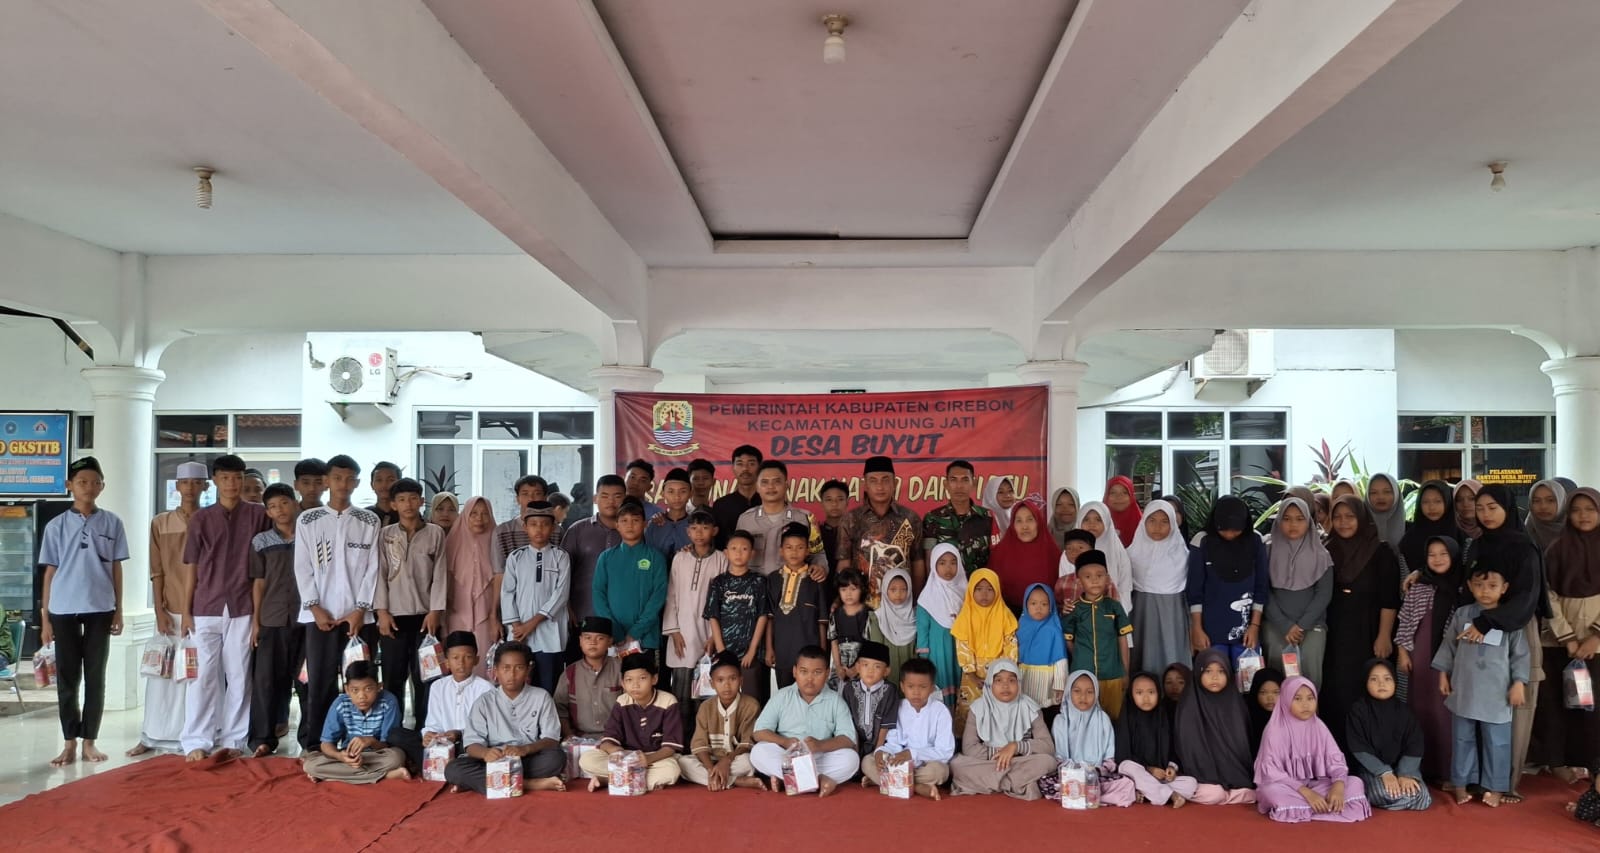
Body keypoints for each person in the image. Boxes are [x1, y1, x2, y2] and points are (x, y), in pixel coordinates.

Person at [38, 457, 126, 767]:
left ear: (103, 486)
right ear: (70, 486)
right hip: (63, 609)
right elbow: (50, 572)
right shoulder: (56, 526)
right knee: (67, 678)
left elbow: (116, 568)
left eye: (95, 482)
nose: (89, 487)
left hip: (101, 608)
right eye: (82, 482)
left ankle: (90, 741)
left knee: (95, 677)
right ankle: (69, 742)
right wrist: (45, 619)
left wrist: (119, 610)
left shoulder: (112, 523)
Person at [181, 454, 270, 761]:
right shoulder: (201, 519)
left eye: (237, 478)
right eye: (226, 478)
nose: (232, 484)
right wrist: (186, 610)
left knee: (240, 674)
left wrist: (259, 615)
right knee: (203, 676)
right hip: (205, 606)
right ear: (215, 481)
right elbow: (191, 567)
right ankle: (196, 740)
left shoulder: (258, 515)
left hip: (243, 606)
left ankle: (234, 739)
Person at [1464, 484, 1548, 800]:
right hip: (1479, 628)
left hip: (1516, 628)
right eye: (1480, 508)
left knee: (1515, 705)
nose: (1486, 514)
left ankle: (1505, 782)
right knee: (1480, 703)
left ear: (1507, 508)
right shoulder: (1478, 545)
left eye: (1492, 507)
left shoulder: (1524, 547)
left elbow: (1527, 597)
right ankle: (1480, 777)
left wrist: (1489, 620)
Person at [294, 454, 381, 753]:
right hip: (320, 617)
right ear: (326, 481)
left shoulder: (369, 521)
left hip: (359, 619)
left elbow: (373, 568)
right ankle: (317, 744)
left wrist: (360, 609)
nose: (343, 484)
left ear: (357, 483)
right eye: (337, 478)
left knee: (360, 683)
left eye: (349, 479)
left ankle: (358, 743)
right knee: (319, 681)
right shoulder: (308, 520)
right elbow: (302, 566)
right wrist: (314, 607)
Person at [1433, 561, 1531, 807]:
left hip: (1497, 693)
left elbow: (1520, 655)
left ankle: (1495, 787)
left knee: (1498, 741)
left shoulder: (1510, 619)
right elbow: (1449, 645)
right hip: (1464, 689)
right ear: (1469, 586)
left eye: (1492, 585)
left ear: (1504, 587)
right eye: (1479, 585)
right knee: (1462, 739)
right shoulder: (1462, 614)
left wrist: (1519, 683)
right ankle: (1460, 784)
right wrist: (1443, 673)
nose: (1485, 591)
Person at [129, 460, 207, 757]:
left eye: (196, 483)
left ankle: (195, 736)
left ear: (205, 486)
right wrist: (159, 612)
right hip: (170, 611)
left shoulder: (210, 520)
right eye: (185, 482)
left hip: (203, 611)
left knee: (196, 675)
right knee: (162, 676)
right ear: (177, 486)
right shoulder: (160, 523)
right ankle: (152, 735)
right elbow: (156, 570)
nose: (190, 488)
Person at [1322, 495, 1401, 748]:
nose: (1343, 522)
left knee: (1365, 689)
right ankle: (1338, 754)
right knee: (1337, 693)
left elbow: (1389, 598)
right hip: (1335, 635)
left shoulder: (1380, 551)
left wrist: (1384, 635)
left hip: (1368, 632)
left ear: (1362, 518)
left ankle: (1367, 752)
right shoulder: (1325, 549)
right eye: (1337, 517)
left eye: (1350, 516)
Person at [444, 641, 566, 794]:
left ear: (528, 669)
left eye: (519, 668)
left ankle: (490, 782)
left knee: (556, 758)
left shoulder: (541, 697)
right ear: (496, 670)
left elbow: (552, 739)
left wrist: (526, 749)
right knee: (453, 769)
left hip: (526, 757)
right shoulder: (484, 702)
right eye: (506, 668)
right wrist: (485, 753)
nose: (512, 675)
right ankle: (528, 784)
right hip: (493, 760)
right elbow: (471, 744)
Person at [1538, 486, 1600, 787]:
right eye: (1576, 510)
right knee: (1557, 705)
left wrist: (1596, 637)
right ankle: (1559, 762)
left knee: (1593, 707)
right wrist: (1568, 638)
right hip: (1558, 643)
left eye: (1590, 509)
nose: (1583, 515)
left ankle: (1593, 763)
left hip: (1596, 645)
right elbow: (1548, 596)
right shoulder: (1556, 549)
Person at [374, 477, 448, 727]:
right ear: (393, 504)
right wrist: (382, 612)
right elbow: (379, 574)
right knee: (393, 676)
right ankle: (392, 730)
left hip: (426, 619)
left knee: (427, 675)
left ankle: (425, 729)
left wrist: (436, 611)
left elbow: (440, 575)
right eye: (402, 499)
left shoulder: (435, 533)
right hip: (393, 617)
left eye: (413, 498)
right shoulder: (385, 535)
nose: (408, 504)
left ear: (421, 501)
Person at [1395, 534, 1465, 783]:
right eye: (1432, 554)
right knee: (1420, 708)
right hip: (1420, 654)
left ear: (1454, 556)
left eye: (1443, 554)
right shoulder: (1419, 585)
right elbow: (1405, 619)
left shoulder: (1462, 588)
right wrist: (1403, 651)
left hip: (1451, 656)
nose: (1437, 559)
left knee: (1444, 712)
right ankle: (1420, 768)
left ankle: (1447, 771)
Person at [1254, 676, 1371, 822]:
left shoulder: (1318, 725)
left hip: (1316, 785)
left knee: (1355, 782)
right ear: (1285, 700)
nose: (1305, 705)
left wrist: (1338, 785)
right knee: (1271, 792)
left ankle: (1306, 808)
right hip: (1289, 788)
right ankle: (1324, 805)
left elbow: (1335, 760)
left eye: (1310, 698)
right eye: (1297, 699)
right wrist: (1307, 793)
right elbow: (1271, 772)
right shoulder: (1274, 730)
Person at [751, 645, 861, 796]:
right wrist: (785, 742)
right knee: (758, 752)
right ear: (795, 672)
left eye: (817, 672)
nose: (810, 679)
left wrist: (820, 745)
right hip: (787, 755)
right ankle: (818, 779)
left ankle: (789, 779)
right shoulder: (781, 696)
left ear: (827, 674)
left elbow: (848, 739)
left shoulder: (836, 701)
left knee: (851, 759)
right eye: (804, 671)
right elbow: (759, 732)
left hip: (819, 756)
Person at [247, 484, 305, 756]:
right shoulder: (261, 541)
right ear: (267, 512)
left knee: (307, 681)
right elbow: (258, 583)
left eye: (284, 503)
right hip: (271, 619)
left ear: (295, 504)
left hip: (307, 619)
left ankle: (312, 741)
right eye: (272, 506)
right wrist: (256, 622)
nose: (279, 510)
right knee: (266, 682)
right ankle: (262, 738)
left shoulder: (310, 536)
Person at [948, 659, 1057, 800]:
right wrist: (1001, 754)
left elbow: (1047, 746)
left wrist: (1015, 747)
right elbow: (969, 748)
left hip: (1019, 760)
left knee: (1048, 762)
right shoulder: (978, 708)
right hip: (989, 762)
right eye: (998, 680)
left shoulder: (1030, 707)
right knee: (956, 765)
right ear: (989, 684)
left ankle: (992, 783)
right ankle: (1015, 783)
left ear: (1019, 683)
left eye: (1011, 680)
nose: (1005, 686)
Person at [579, 652, 683, 791]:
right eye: (629, 680)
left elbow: (670, 747)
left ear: (654, 679)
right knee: (587, 760)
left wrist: (648, 759)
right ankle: (636, 780)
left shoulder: (668, 701)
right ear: (623, 683)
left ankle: (610, 780)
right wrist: (617, 752)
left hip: (654, 758)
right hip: (626, 756)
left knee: (671, 771)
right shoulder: (622, 701)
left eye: (642, 678)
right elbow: (608, 740)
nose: (635, 685)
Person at [1187, 496, 1269, 667]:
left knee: (1248, 678)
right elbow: (1195, 590)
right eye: (1224, 530)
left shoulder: (1255, 540)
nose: (1230, 535)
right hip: (1210, 631)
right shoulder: (1201, 541)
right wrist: (1197, 628)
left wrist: (1254, 626)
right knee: (1214, 676)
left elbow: (1261, 586)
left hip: (1247, 630)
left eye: (1236, 530)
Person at [500, 502, 570, 695]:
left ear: (553, 527)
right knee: (520, 686)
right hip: (520, 634)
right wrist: (516, 626)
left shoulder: (561, 556)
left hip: (551, 633)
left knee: (549, 687)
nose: (539, 529)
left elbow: (561, 595)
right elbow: (507, 593)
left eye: (545, 524)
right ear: (525, 527)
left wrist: (531, 624)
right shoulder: (516, 557)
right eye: (533, 524)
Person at [302, 661, 410, 784]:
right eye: (355, 690)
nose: (362, 696)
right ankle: (385, 776)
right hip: (350, 757)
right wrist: (340, 756)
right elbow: (326, 743)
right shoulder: (341, 703)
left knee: (397, 758)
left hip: (377, 755)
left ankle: (333, 777)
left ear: (379, 687)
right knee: (310, 765)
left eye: (368, 689)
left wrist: (371, 741)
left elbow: (388, 744)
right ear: (346, 689)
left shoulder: (388, 702)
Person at [835, 455, 925, 603]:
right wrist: (842, 601)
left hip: (901, 605)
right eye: (873, 480)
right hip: (862, 604)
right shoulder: (851, 519)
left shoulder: (910, 518)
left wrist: (916, 600)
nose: (880, 486)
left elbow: (917, 562)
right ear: (865, 485)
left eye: (885, 480)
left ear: (895, 483)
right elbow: (844, 563)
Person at [1263, 498, 1332, 687]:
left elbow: (1324, 594)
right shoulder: (1267, 551)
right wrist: (1285, 625)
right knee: (1277, 679)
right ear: (1278, 521)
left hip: (1312, 625)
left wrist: (1301, 626)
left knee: (1310, 678)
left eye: (1300, 519)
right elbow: (1263, 591)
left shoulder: (1321, 554)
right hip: (1276, 624)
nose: (1293, 524)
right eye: (1286, 519)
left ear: (1308, 521)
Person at [1173, 649, 1257, 805]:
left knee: (1249, 792)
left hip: (1234, 773)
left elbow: (1242, 747)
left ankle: (1228, 795)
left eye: (1221, 671)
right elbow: (1188, 748)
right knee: (1213, 793)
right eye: (1208, 671)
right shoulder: (1189, 705)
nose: (1215, 677)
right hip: (1202, 775)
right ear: (1198, 673)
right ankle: (1225, 796)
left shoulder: (1236, 705)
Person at [861, 658, 953, 799]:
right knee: (867, 762)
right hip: (898, 763)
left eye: (922, 687)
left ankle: (886, 782)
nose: (916, 692)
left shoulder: (941, 712)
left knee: (940, 772)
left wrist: (912, 754)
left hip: (925, 765)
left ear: (932, 688)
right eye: (910, 687)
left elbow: (945, 751)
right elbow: (893, 743)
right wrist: (881, 752)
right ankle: (917, 787)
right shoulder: (897, 707)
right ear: (902, 687)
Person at [662, 511, 725, 714]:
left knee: (705, 688)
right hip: (681, 631)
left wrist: (714, 637)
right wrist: (673, 631)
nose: (699, 533)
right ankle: (680, 731)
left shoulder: (721, 559)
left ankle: (702, 731)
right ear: (687, 532)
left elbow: (724, 601)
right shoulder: (680, 558)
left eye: (705, 528)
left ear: (714, 531)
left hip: (708, 632)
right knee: (680, 687)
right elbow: (671, 595)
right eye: (694, 528)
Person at [1347, 658, 1431, 811]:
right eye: (1374, 679)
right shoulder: (1358, 711)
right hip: (1373, 769)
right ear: (1365, 682)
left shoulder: (1404, 711)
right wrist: (1384, 773)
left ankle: (1399, 799)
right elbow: (1358, 747)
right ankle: (1403, 800)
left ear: (1395, 682)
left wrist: (1405, 774)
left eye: (1387, 679)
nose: (1381, 684)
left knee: (1422, 796)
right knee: (1383, 793)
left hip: (1404, 768)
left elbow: (1414, 744)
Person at [593, 498, 669, 661]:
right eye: (624, 521)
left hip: (646, 637)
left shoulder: (656, 557)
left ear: (645, 524)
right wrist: (614, 630)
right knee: (613, 678)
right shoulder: (606, 557)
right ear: (617, 525)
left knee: (646, 677)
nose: (630, 525)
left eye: (635, 520)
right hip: (613, 638)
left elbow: (658, 597)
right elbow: (598, 594)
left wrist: (635, 632)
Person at [1049, 670, 1138, 806]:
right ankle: (1092, 795)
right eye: (1077, 691)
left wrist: (1095, 772)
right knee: (1045, 781)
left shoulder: (1103, 719)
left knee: (1126, 784)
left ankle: (1076, 795)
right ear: (1068, 693)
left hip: (1097, 775)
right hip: (1069, 775)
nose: (1083, 697)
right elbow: (1058, 758)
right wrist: (1076, 771)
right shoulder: (1060, 720)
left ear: (1096, 694)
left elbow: (1109, 759)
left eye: (1090, 692)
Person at [1061, 552, 1132, 718]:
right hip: (1083, 677)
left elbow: (1123, 640)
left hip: (1113, 674)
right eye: (1088, 576)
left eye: (1100, 575)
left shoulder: (1114, 606)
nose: (1094, 580)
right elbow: (1068, 640)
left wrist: (1125, 672)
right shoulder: (1074, 609)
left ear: (1107, 579)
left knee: (1114, 717)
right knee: (1084, 717)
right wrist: (1080, 656)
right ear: (1079, 582)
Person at [680, 652, 763, 790]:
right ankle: (733, 780)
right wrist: (711, 768)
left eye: (733, 679)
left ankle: (716, 779)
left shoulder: (750, 705)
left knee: (749, 762)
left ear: (741, 681)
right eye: (720, 680)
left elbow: (746, 743)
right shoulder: (706, 707)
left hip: (735, 760)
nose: (727, 685)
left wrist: (726, 761)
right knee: (682, 762)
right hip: (711, 760)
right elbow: (699, 744)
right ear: (712, 683)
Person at [704, 530, 772, 700]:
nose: (738, 553)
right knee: (726, 696)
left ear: (752, 553)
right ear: (726, 553)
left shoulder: (759, 581)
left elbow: (763, 616)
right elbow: (713, 617)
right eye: (734, 548)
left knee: (752, 698)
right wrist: (721, 651)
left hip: (751, 653)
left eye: (744, 549)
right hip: (725, 650)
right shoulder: (719, 582)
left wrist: (752, 650)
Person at [1115, 671, 1199, 808]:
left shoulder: (1163, 716)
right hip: (1137, 775)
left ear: (1159, 693)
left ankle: (1149, 792)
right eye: (1139, 693)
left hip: (1160, 778)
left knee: (1191, 783)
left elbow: (1173, 749)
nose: (1146, 698)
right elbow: (1122, 755)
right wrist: (1149, 769)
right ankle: (1170, 795)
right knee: (1127, 766)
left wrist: (1171, 768)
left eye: (1151, 692)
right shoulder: (1127, 717)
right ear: (1131, 694)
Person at [951, 568, 1018, 735]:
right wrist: (972, 674)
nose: (984, 594)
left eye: (990, 589)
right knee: (970, 709)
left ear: (997, 591)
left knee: (998, 707)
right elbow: (963, 646)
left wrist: (1002, 672)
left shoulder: (1005, 615)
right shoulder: (965, 616)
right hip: (972, 674)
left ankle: (996, 741)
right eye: (979, 589)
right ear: (971, 591)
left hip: (1000, 672)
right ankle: (967, 742)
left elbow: (1010, 644)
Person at [1128, 500, 1191, 674]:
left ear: (1173, 524)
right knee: (1141, 655)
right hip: (1140, 612)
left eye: (1165, 521)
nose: (1158, 527)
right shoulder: (1130, 554)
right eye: (1152, 520)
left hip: (1173, 613)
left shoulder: (1183, 556)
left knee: (1171, 654)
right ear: (1143, 522)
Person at [736, 460, 827, 578]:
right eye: (764, 482)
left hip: (791, 585)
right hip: (754, 586)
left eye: (776, 481)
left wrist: (820, 567)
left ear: (786, 485)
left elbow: (818, 553)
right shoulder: (745, 519)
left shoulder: (805, 518)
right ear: (757, 487)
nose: (770, 487)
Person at [766, 523, 829, 689]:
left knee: (810, 694)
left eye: (800, 547)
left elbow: (822, 621)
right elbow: (769, 618)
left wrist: (823, 653)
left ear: (807, 551)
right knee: (785, 693)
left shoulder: (816, 579)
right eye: (789, 547)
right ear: (781, 551)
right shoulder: (773, 579)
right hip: (782, 651)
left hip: (810, 653)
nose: (794, 552)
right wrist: (769, 649)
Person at [561, 475, 625, 623]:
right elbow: (562, 573)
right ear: (595, 499)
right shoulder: (577, 530)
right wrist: (567, 607)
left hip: (623, 615)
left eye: (617, 496)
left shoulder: (633, 533)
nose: (611, 501)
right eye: (605, 496)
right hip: (583, 611)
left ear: (625, 499)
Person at [444, 497, 500, 657]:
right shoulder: (452, 541)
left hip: (487, 612)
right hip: (456, 611)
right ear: (465, 515)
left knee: (484, 658)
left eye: (485, 514)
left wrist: (494, 615)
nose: (479, 519)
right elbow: (444, 581)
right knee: (459, 659)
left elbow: (499, 578)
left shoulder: (496, 542)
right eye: (473, 513)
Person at [422, 631, 495, 751]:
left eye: (468, 657)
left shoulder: (486, 689)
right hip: (441, 744)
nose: (461, 663)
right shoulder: (437, 687)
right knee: (398, 735)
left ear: (476, 660)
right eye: (455, 658)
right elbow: (433, 723)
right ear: (446, 662)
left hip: (470, 745)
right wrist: (429, 734)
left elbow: (488, 728)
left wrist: (460, 734)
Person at [920, 460, 993, 579]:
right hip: (946, 588)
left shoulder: (987, 517)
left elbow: (995, 557)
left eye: (965, 480)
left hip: (978, 587)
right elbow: (929, 560)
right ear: (946, 484)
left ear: (974, 483)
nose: (959, 486)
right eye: (954, 480)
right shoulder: (932, 519)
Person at [553, 618, 622, 740]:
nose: (593, 643)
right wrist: (569, 736)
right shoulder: (570, 673)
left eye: (600, 638)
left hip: (617, 737)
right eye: (587, 638)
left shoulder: (621, 669)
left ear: (610, 642)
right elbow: (560, 709)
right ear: (580, 641)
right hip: (580, 738)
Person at [917, 544, 967, 709]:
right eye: (942, 563)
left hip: (961, 649)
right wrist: (924, 657)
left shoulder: (967, 593)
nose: (948, 568)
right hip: (938, 650)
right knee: (941, 683)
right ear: (934, 565)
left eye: (953, 562)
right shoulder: (927, 598)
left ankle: (959, 722)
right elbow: (923, 630)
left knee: (961, 683)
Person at [988, 500, 1059, 615]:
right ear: (1013, 525)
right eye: (1019, 521)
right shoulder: (1000, 553)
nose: (1024, 526)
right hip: (1006, 616)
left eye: (1030, 520)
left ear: (1038, 522)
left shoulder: (1052, 553)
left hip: (1045, 617)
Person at [1066, 502, 1133, 617]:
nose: (1092, 524)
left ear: (1106, 522)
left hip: (1110, 614)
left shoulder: (1118, 553)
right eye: (1086, 519)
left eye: (1098, 519)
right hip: (1079, 615)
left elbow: (1125, 587)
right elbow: (1065, 588)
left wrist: (1119, 614)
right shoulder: (1069, 553)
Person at [841, 641, 900, 757]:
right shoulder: (849, 688)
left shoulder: (890, 690)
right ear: (858, 667)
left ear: (886, 671)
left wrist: (878, 751)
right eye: (865, 665)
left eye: (877, 666)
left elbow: (886, 726)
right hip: (854, 743)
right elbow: (848, 722)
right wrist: (856, 751)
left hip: (882, 744)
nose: (870, 670)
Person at [1016, 582, 1068, 709]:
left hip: (1046, 681)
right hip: (1023, 677)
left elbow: (1060, 659)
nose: (1038, 608)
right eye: (1033, 603)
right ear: (1026, 605)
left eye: (1044, 604)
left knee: (1044, 712)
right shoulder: (1019, 627)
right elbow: (1012, 654)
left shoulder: (1054, 630)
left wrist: (1060, 685)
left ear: (1051, 606)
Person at [867, 567, 917, 681]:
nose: (898, 594)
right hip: (887, 674)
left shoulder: (915, 616)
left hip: (911, 672)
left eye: (903, 589)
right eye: (893, 590)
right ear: (885, 590)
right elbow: (876, 649)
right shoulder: (878, 617)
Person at [711, 445, 762, 549]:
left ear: (760, 467)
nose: (745, 469)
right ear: (733, 467)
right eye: (740, 464)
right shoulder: (721, 505)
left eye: (751, 464)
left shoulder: (768, 502)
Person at [490, 475, 546, 571]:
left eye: (537, 493)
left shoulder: (556, 531)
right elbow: (499, 572)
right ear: (517, 499)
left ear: (545, 498)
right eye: (525, 494)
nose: (531, 498)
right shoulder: (502, 531)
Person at [829, 568, 870, 688]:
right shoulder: (835, 614)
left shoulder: (869, 614)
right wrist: (838, 667)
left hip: (862, 663)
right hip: (840, 663)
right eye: (843, 589)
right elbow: (834, 641)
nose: (848, 594)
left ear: (862, 589)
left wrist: (856, 668)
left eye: (853, 589)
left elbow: (869, 644)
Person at [645, 468, 693, 556]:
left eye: (683, 491)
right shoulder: (654, 525)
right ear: (663, 494)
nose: (677, 497)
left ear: (690, 494)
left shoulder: (695, 525)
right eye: (671, 492)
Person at [1246, 667, 1285, 754]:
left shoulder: (1288, 719)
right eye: (1263, 692)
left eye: (1276, 692)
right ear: (1255, 692)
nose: (1270, 698)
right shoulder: (1247, 720)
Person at [1366, 473, 1407, 554]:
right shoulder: (1358, 528)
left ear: (1396, 494)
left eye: (1387, 492)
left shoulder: (1410, 531)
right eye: (1373, 492)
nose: (1380, 497)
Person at [1526, 478, 1570, 553]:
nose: (1543, 506)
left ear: (1561, 502)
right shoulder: (1525, 534)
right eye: (1536, 501)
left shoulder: (1578, 534)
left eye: (1550, 500)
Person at [818, 479, 850, 580]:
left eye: (840, 499)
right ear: (821, 503)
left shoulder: (855, 533)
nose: (834, 504)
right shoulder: (815, 533)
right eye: (829, 500)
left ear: (847, 502)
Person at [1103, 476, 1143, 548]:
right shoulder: (1095, 522)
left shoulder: (1144, 524)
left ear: (1131, 496)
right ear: (1106, 496)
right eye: (1113, 493)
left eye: (1125, 493)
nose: (1119, 497)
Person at [367, 461, 402, 527]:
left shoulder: (407, 514)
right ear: (372, 485)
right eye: (379, 480)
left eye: (391, 480)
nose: (384, 485)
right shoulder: (364, 515)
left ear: (399, 484)